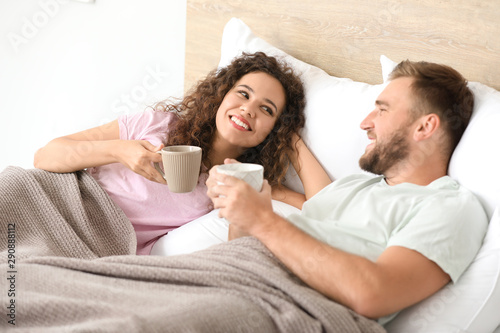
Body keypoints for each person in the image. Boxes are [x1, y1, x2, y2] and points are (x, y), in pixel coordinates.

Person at [206, 60, 488, 323]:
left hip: (277, 311)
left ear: (425, 126)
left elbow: (374, 295)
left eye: (382, 109)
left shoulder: (449, 206)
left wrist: (263, 220)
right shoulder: (351, 187)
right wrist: (240, 214)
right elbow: (243, 251)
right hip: (227, 280)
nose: (365, 123)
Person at [34, 52, 313, 255]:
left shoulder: (239, 181)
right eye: (243, 93)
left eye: (267, 109)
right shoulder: (157, 124)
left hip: (93, 246)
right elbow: (45, 156)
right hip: (53, 200)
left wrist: (292, 141)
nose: (248, 109)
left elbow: (321, 206)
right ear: (222, 95)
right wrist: (119, 151)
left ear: (274, 129)